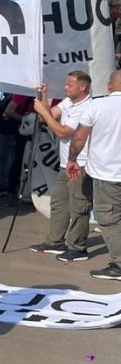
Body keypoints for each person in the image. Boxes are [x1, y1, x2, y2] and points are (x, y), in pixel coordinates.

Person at [30, 73, 94, 262]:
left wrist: (43, 111)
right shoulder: (68, 102)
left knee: (79, 206)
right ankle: (55, 241)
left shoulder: (87, 108)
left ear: (82, 87)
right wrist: (43, 99)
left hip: (81, 164)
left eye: (69, 85)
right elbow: (48, 118)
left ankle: (77, 247)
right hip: (65, 163)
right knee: (59, 203)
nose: (65, 88)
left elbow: (62, 131)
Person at [67, 69, 121, 280]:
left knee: (109, 219)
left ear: (109, 86)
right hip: (109, 172)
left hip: (107, 173)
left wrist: (72, 159)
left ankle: (119, 264)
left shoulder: (96, 106)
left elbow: (79, 138)